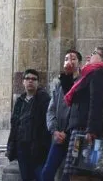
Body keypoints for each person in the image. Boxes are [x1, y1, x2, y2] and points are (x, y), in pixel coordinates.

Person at [62, 46, 103, 181]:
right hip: (82, 128)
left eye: (94, 53)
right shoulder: (90, 75)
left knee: (85, 174)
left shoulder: (100, 73)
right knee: (78, 173)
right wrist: (68, 75)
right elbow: (73, 97)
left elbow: (97, 101)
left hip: (87, 130)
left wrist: (91, 129)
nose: (89, 56)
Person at [42, 50, 82, 181]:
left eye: (73, 59)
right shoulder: (59, 84)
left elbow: (78, 110)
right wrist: (54, 131)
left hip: (74, 135)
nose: (69, 61)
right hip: (58, 136)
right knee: (47, 172)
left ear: (79, 63)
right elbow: (51, 110)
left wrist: (67, 131)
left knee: (68, 176)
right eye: (66, 59)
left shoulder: (83, 83)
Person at [6, 69, 51, 181]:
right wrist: (11, 146)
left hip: (38, 147)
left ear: (38, 82)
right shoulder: (19, 101)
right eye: (28, 78)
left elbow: (47, 123)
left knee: (42, 176)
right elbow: (14, 125)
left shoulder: (44, 99)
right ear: (23, 82)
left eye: (34, 79)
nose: (30, 81)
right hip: (22, 147)